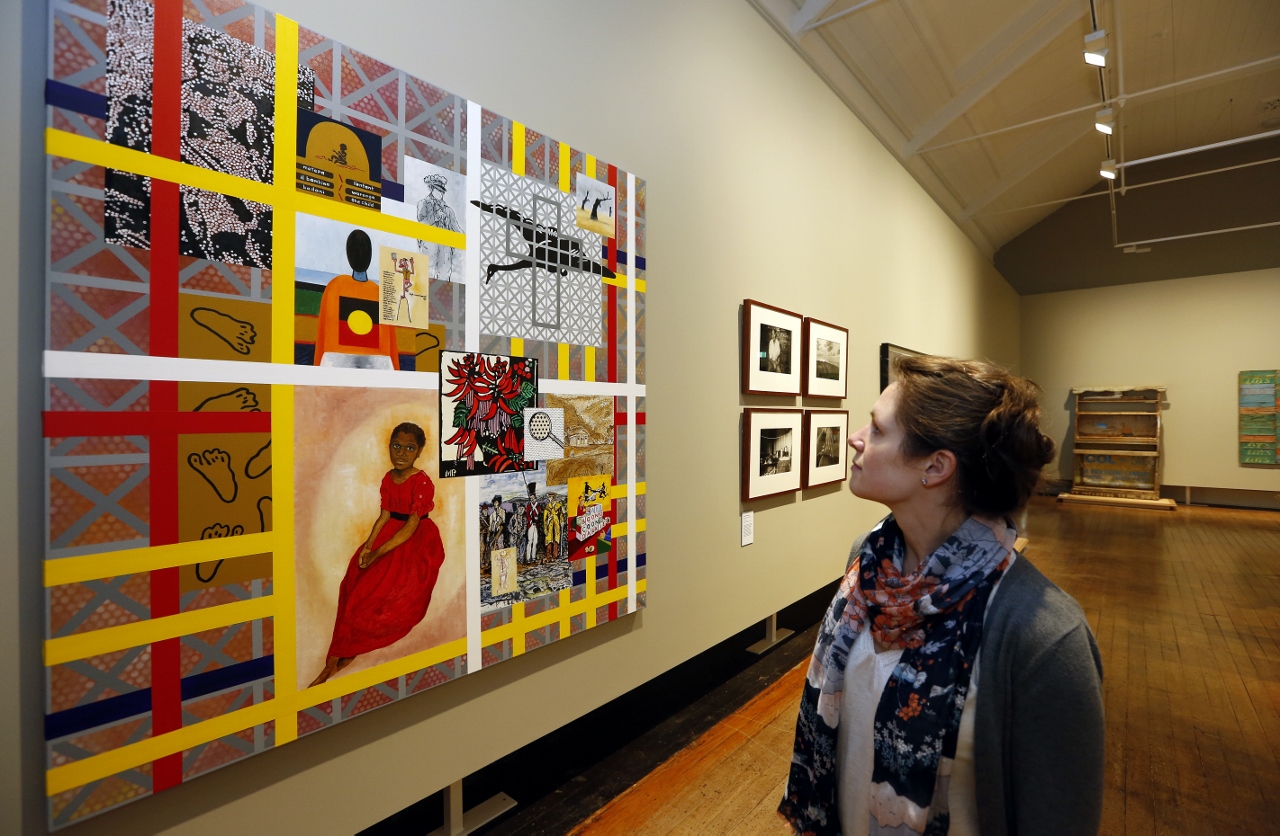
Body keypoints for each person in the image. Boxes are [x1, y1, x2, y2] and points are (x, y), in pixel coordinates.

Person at [779, 355, 1104, 836]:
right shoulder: (869, 566)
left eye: (878, 429)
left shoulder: (1044, 635)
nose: (856, 438)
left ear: (935, 466)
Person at [309, 422, 445, 686]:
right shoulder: (388, 477)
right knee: (352, 582)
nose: (401, 453)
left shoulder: (422, 481)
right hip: (390, 534)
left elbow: (411, 526)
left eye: (409, 448)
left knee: (382, 594)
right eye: (396, 446)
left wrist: (378, 553)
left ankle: (346, 652)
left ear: (418, 452)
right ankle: (337, 655)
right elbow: (384, 515)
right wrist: (369, 545)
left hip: (414, 541)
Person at [313, 229, 400, 370]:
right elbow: (391, 345)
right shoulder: (378, 292)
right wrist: (396, 374)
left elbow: (322, 337)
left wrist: (316, 373)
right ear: (370, 256)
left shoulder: (335, 287)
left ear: (348, 255)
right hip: (378, 365)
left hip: (337, 363)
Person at [416, 172, 462, 281]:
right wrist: (436, 217)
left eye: (442, 191)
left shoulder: (448, 210)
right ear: (432, 188)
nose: (441, 193)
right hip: (430, 245)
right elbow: (421, 221)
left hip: (445, 247)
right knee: (428, 274)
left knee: (445, 274)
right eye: (438, 190)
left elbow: (455, 227)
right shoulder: (424, 203)